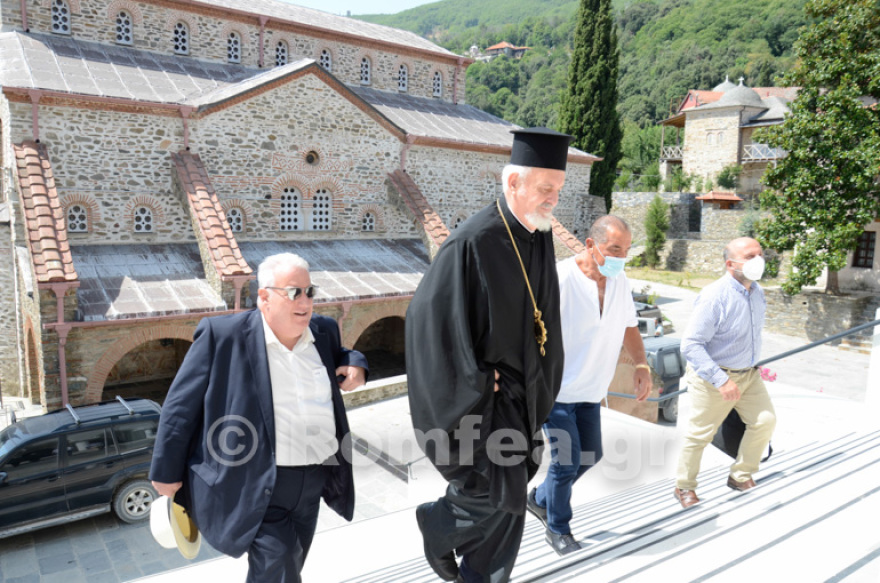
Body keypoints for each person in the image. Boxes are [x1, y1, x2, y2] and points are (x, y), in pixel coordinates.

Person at [406, 127, 573, 583]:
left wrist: (542, 380)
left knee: (509, 512)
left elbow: (544, 319)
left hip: (521, 397)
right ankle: (438, 524)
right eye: (545, 188)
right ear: (512, 182)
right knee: (502, 495)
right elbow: (427, 326)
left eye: (558, 190)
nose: (552, 200)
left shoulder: (537, 235)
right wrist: (476, 381)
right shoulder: (471, 243)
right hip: (484, 406)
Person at [149, 253, 368, 583]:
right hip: (258, 483)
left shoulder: (323, 331)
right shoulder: (222, 336)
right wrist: (165, 473)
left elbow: (342, 356)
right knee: (278, 566)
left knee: (290, 563)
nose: (306, 301)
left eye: (311, 292)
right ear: (264, 296)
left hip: (314, 481)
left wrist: (357, 362)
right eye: (294, 292)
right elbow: (180, 407)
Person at [526, 215, 652, 555]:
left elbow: (628, 325)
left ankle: (538, 499)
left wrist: (641, 364)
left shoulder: (619, 279)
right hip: (556, 389)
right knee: (566, 461)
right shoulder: (559, 278)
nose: (621, 258)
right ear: (591, 244)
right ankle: (558, 528)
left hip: (591, 389)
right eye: (614, 249)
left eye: (626, 250)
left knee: (590, 454)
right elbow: (529, 329)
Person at [673, 237, 776, 508]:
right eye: (751, 256)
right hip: (714, 377)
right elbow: (691, 345)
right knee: (699, 435)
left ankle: (740, 475)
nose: (759, 261)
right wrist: (722, 379)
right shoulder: (714, 296)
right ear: (731, 264)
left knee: (764, 421)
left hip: (748, 375)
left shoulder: (757, 292)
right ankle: (684, 487)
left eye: (760, 254)